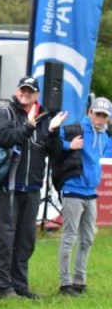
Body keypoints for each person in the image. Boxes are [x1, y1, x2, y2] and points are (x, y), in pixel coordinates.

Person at [0, 76, 65, 300]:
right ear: (17, 91)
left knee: (25, 241)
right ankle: (3, 288)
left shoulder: (45, 118)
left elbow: (56, 152)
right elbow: (2, 138)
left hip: (32, 188)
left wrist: (52, 132)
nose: (25, 93)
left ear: (37, 95)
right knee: (5, 239)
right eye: (23, 89)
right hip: (8, 188)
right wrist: (28, 126)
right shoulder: (6, 113)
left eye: (30, 91)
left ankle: (20, 285)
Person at [53, 97, 110, 297]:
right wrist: (69, 146)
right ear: (90, 112)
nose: (101, 119)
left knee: (87, 239)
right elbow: (51, 141)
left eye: (105, 116)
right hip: (72, 190)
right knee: (70, 237)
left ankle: (79, 281)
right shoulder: (75, 129)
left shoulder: (104, 137)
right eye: (98, 114)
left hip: (90, 193)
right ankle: (65, 284)